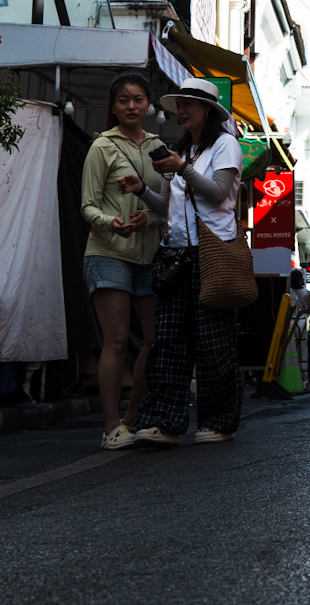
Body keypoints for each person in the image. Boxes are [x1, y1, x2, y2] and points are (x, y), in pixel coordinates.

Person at [123, 77, 244, 446]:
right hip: (174, 254)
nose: (182, 110)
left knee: (214, 343)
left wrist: (182, 169)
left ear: (207, 110)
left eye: (189, 104)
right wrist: (142, 190)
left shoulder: (225, 145)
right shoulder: (180, 150)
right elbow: (168, 207)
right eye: (179, 104)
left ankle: (219, 422)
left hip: (213, 255)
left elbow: (219, 193)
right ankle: (164, 421)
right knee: (169, 341)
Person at [79, 73, 166, 450]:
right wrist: (110, 223)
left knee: (153, 339)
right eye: (124, 100)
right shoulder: (101, 146)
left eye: (139, 100)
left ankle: (133, 419)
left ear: (149, 105)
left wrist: (151, 218)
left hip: (148, 254)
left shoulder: (159, 147)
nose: (132, 106)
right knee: (115, 340)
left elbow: (169, 205)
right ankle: (111, 426)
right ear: (113, 107)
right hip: (109, 251)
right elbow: (87, 205)